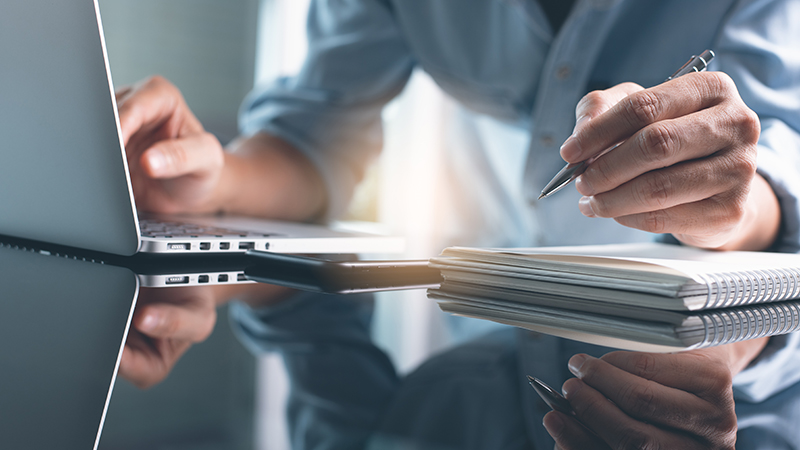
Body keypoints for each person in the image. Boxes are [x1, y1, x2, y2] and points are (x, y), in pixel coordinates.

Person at [116, 0, 800, 448]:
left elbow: (775, 151)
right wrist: (217, 177)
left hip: (709, 324)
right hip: (481, 295)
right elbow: (316, 131)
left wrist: (739, 206)